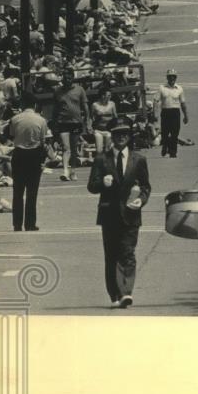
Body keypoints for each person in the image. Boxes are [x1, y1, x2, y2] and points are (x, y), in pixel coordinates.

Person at [86, 117, 152, 309]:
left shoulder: (139, 159)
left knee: (128, 253)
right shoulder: (101, 159)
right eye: (117, 133)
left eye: (124, 133)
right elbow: (91, 186)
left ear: (129, 136)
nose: (121, 137)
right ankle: (114, 293)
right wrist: (101, 183)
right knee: (112, 255)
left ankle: (126, 292)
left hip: (131, 214)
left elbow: (146, 186)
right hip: (109, 214)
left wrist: (142, 200)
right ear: (111, 136)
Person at [6, 92, 49, 232]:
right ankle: (30, 223)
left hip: (19, 155)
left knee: (17, 192)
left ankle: (17, 224)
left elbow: (12, 136)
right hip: (34, 155)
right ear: (35, 105)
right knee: (32, 192)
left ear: (23, 104)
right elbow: (43, 141)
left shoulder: (15, 119)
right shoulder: (41, 120)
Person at [51, 69, 89, 181]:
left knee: (73, 148)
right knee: (65, 147)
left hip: (76, 122)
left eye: (69, 78)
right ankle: (65, 172)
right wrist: (54, 124)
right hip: (63, 123)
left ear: (72, 78)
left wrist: (87, 121)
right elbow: (55, 110)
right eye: (65, 78)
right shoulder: (57, 91)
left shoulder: (80, 90)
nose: (67, 80)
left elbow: (85, 106)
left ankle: (73, 171)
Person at [158, 68, 189, 158]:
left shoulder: (179, 88)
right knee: (165, 133)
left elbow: (183, 103)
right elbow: (156, 101)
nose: (172, 79)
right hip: (165, 112)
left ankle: (173, 152)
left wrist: (186, 116)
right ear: (167, 78)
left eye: (173, 77)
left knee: (175, 133)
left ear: (176, 78)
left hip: (175, 112)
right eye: (170, 77)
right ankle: (165, 146)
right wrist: (154, 114)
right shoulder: (162, 88)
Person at [90, 86, 118, 155]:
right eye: (108, 95)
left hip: (109, 130)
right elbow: (91, 117)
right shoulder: (95, 105)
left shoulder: (112, 104)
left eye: (110, 95)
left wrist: (116, 127)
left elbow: (115, 116)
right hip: (98, 130)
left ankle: (107, 164)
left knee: (107, 150)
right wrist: (90, 126)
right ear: (103, 96)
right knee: (99, 150)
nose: (110, 97)